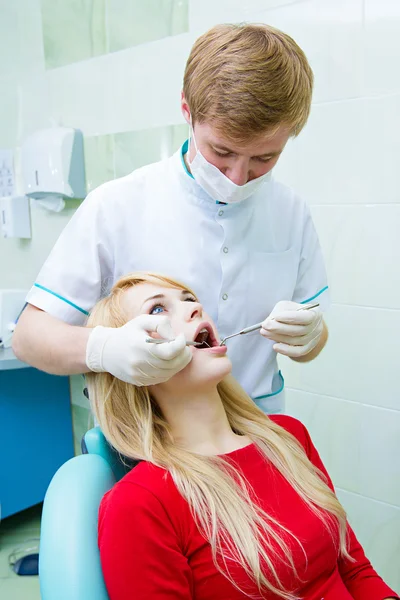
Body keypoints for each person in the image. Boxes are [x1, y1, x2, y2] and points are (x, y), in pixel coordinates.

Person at [13, 23, 330, 413]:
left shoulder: (291, 213)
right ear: (186, 109)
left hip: (260, 431)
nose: (237, 176)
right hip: (156, 442)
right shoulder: (116, 206)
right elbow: (28, 338)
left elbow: (312, 335)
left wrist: (310, 338)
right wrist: (102, 348)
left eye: (264, 158)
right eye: (222, 151)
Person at [86, 272, 398, 600]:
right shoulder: (139, 505)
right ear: (128, 365)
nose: (195, 309)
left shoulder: (288, 437)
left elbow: (354, 568)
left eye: (189, 299)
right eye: (158, 311)